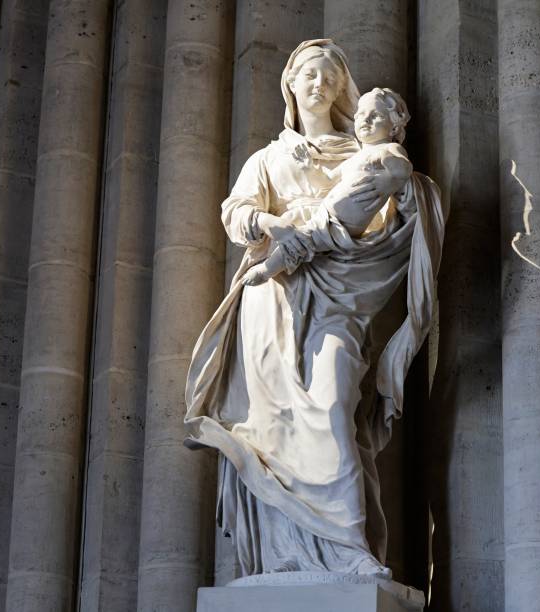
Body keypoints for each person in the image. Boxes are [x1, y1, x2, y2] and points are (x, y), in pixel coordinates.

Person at [183, 39, 446, 578]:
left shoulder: (363, 153)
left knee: (330, 404)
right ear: (290, 84)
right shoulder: (268, 158)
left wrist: (408, 195)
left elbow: (391, 214)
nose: (318, 84)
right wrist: (270, 224)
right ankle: (286, 555)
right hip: (271, 298)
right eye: (307, 74)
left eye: (329, 75)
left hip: (337, 293)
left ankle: (347, 544)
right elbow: (236, 214)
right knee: (271, 424)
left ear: (342, 88)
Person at [240, 87, 413, 287]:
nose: (366, 120)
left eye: (375, 116)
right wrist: (309, 168)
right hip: (328, 213)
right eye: (362, 114)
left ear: (393, 128)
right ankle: (270, 267)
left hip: (346, 222)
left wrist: (387, 181)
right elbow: (328, 178)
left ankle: (267, 269)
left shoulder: (387, 150)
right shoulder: (356, 157)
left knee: (304, 241)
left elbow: (403, 169)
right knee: (303, 238)